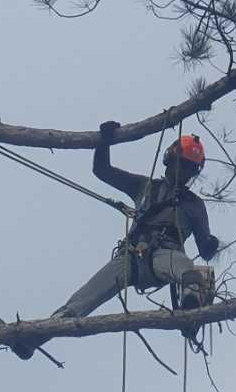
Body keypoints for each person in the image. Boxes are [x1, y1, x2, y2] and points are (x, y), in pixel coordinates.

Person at [54, 121, 220, 322]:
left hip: (165, 255)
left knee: (184, 265)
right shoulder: (145, 186)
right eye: (182, 164)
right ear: (170, 159)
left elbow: (204, 249)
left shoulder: (194, 204)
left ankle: (192, 306)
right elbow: (102, 170)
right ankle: (45, 329)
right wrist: (103, 141)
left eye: (189, 168)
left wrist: (210, 244)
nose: (183, 172)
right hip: (131, 255)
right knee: (89, 293)